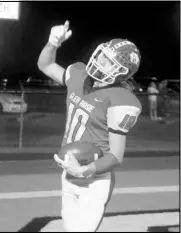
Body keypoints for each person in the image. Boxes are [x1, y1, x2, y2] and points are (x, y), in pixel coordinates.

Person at [37, 20, 142, 232]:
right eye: (102, 55)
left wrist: (85, 171)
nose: (100, 60)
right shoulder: (79, 74)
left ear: (121, 71)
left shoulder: (120, 100)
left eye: (109, 61)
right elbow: (46, 65)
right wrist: (52, 44)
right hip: (69, 170)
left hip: (95, 179)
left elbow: (115, 156)